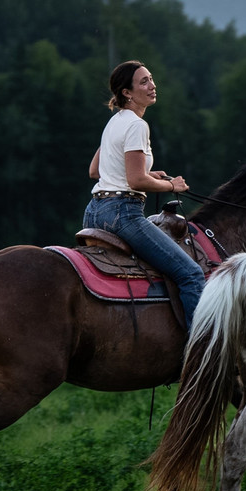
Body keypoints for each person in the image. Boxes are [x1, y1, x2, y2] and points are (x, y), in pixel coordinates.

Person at [83, 60, 204, 334]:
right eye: (144, 82)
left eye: (151, 79)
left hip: (94, 211)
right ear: (127, 92)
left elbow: (95, 171)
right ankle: (201, 356)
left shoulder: (114, 122)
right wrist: (172, 186)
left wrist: (150, 173)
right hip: (122, 214)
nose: (153, 85)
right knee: (192, 275)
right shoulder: (137, 126)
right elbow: (135, 180)